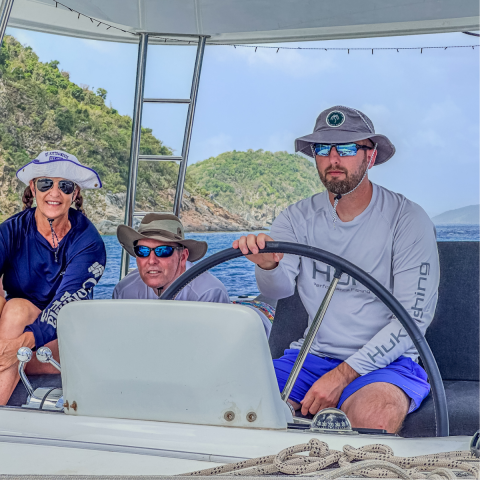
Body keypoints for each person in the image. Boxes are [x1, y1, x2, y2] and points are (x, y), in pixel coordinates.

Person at [233, 106, 439, 433]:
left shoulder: (408, 220)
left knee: (373, 416)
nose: (333, 159)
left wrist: (342, 376)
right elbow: (278, 291)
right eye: (322, 149)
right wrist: (269, 266)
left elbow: (412, 319)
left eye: (345, 148)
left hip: (389, 364)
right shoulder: (295, 218)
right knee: (232, 399)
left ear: (370, 157)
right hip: (310, 358)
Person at [0, 150, 106, 405]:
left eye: (65, 186)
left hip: (65, 341)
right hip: (15, 333)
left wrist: (17, 347)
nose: (55, 193)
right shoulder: (11, 230)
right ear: (33, 187)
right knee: (13, 309)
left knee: (16, 310)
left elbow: (64, 307)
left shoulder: (89, 243)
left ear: (75, 193)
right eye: (46, 183)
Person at [114, 213, 273, 337]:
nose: (151, 260)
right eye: (142, 251)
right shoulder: (124, 291)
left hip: (260, 324)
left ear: (183, 257)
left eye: (163, 251)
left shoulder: (208, 292)